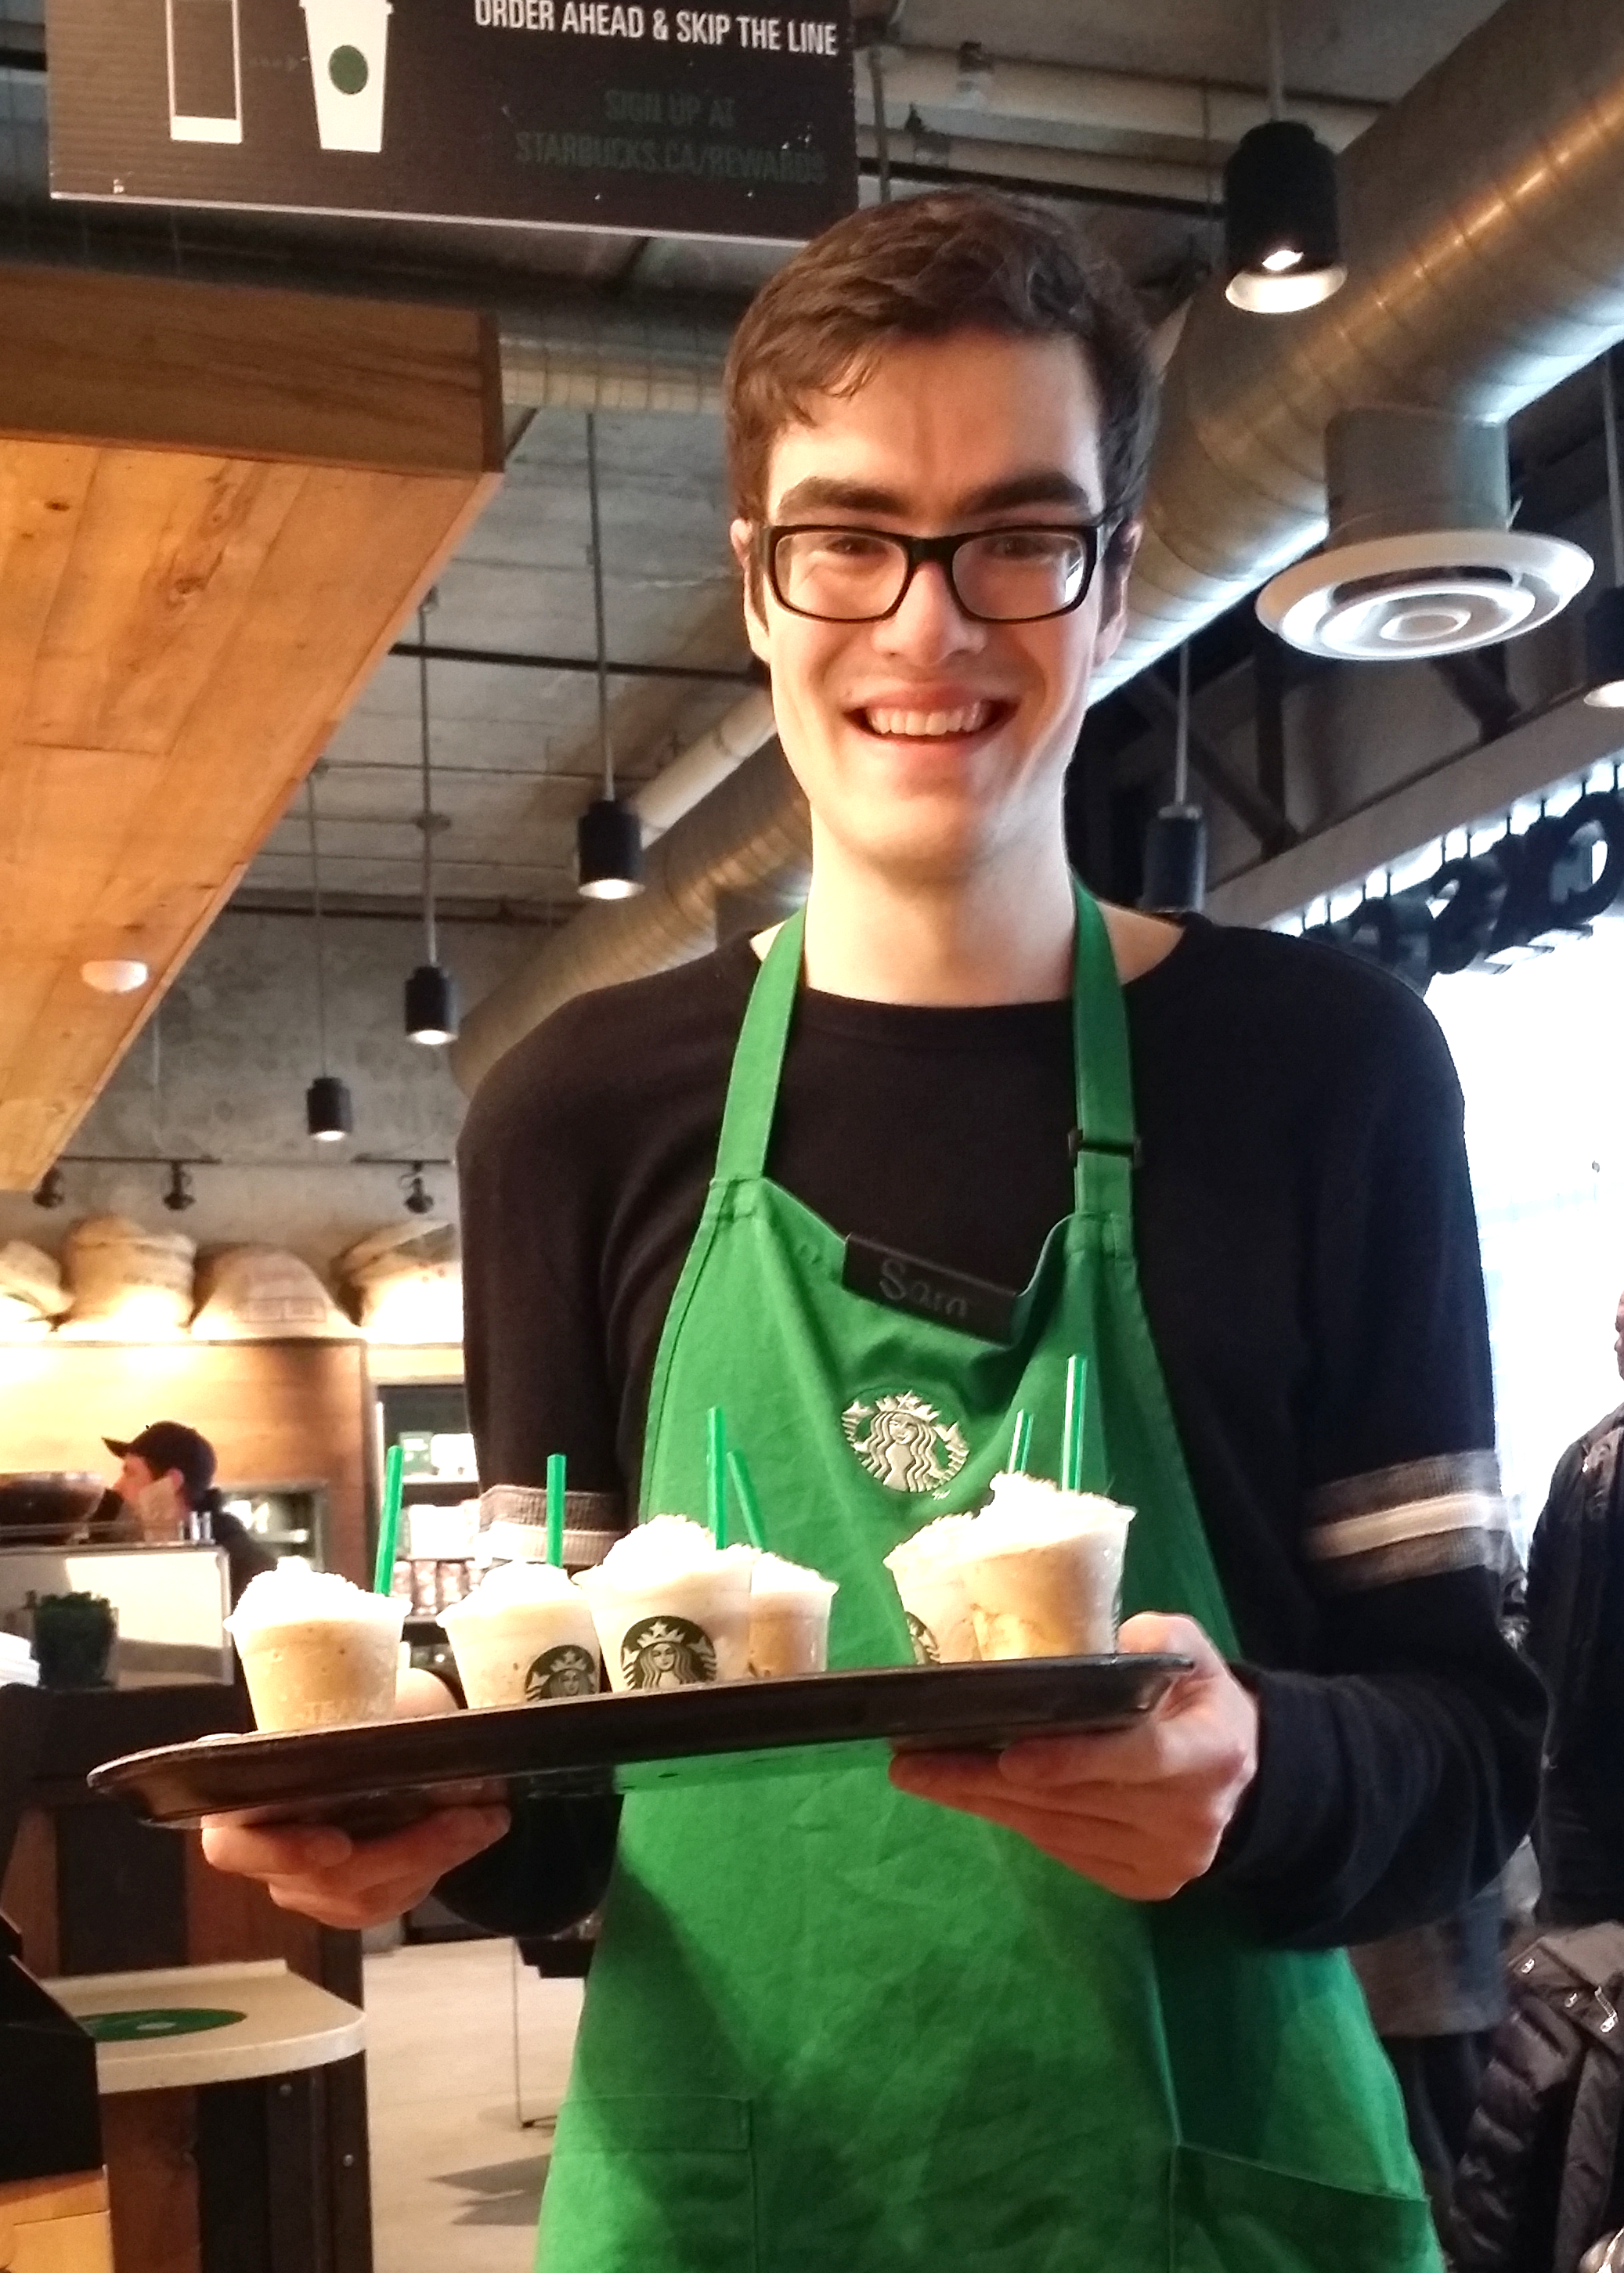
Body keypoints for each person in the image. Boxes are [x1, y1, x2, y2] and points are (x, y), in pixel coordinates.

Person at [200, 192, 1543, 2271]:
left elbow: (1467, 1742)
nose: (927, 626)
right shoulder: (575, 1114)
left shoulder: (1326, 1072)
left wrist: (1256, 1765)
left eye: (1018, 534)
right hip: (736, 2197)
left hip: (1204, 2204)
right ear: (756, 583)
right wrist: (402, 1827)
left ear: (1108, 588)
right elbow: (564, 1784)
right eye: (851, 537)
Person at [1525, 1290, 1624, 1926]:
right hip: (1583, 1769)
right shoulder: (1587, 1459)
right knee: (1580, 1974)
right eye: (1618, 1326)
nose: (1617, 1341)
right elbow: (1537, 1590)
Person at [104, 1420, 275, 1606]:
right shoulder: (150, 1553)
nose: (117, 1486)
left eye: (130, 1473)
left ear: (171, 1481)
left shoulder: (245, 1567)